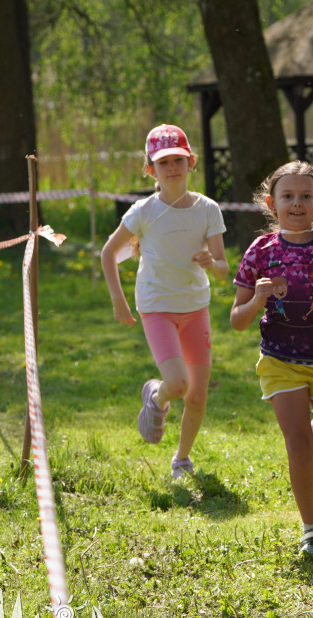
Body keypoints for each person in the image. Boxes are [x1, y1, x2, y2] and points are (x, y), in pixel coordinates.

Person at [230, 161, 313, 556]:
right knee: (297, 444)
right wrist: (257, 299)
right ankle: (311, 528)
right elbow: (237, 320)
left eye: (306, 196)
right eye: (288, 196)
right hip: (279, 360)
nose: (297, 203)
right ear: (272, 203)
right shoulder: (260, 252)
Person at [101, 124, 228, 478]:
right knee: (177, 385)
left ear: (191, 163)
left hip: (195, 307)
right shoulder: (143, 210)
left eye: (178, 160)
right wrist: (118, 300)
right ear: (150, 170)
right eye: (163, 162)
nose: (172, 167)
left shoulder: (208, 209)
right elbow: (109, 252)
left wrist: (211, 263)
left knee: (197, 396)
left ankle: (182, 459)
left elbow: (222, 268)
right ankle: (156, 397)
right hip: (156, 306)